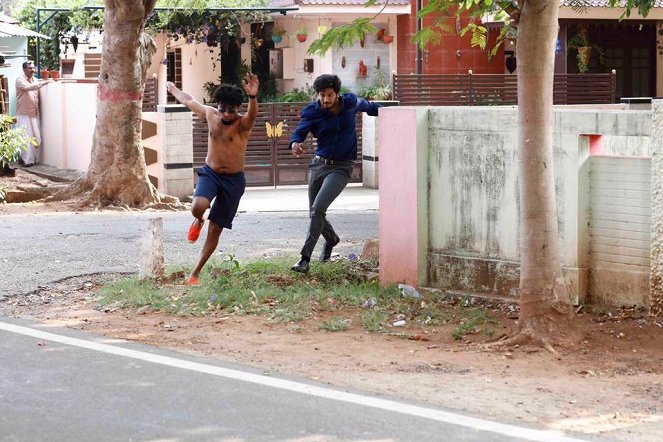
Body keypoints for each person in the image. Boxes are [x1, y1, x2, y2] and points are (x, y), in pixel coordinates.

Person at [166, 73, 259, 286]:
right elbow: (189, 100)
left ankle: (195, 272)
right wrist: (173, 90)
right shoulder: (210, 115)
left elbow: (253, 115)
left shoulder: (243, 124)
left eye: (232, 110)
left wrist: (253, 97)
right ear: (217, 105)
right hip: (211, 173)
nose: (226, 114)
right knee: (198, 206)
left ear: (238, 109)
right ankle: (198, 220)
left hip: (233, 181)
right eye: (222, 108)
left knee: (216, 228)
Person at [289, 74, 381, 273]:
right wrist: (295, 143)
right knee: (314, 212)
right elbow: (299, 132)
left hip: (342, 167)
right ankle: (331, 239)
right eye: (321, 95)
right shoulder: (312, 112)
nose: (325, 99)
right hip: (318, 165)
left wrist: (398, 112)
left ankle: (304, 259)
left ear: (337, 94)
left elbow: (372, 108)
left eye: (329, 95)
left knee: (318, 208)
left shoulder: (350, 103)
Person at [15, 61, 53, 167]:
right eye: (30, 68)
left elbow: (35, 87)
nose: (33, 70)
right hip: (23, 113)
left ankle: (27, 158)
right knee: (26, 137)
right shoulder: (20, 80)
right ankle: (27, 161)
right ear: (24, 69)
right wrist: (45, 82)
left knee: (35, 137)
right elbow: (29, 88)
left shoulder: (35, 80)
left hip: (33, 113)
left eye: (33, 68)